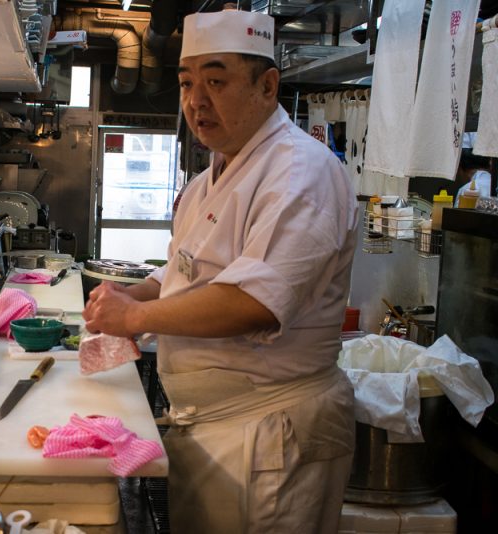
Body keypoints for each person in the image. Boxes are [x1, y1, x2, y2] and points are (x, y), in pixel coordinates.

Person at [83, 8, 358, 533]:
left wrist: (137, 316)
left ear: (267, 86)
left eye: (216, 80)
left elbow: (253, 301)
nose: (195, 101)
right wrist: (125, 294)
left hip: (269, 436)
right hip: (213, 429)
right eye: (187, 83)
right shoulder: (214, 174)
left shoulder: (301, 172)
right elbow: (182, 274)